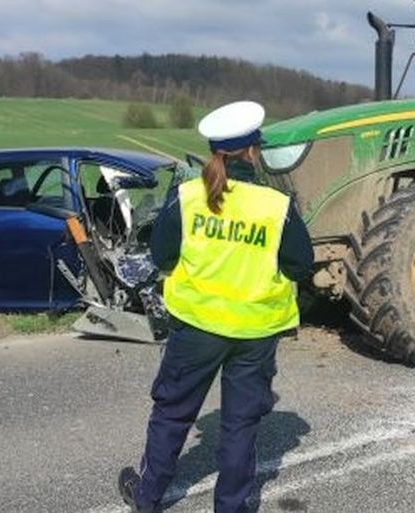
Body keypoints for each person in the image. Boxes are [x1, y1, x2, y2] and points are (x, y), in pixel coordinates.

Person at [117, 101, 313, 513]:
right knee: (240, 426)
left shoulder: (188, 197)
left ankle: (148, 498)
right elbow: (300, 264)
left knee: (172, 413)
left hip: (196, 326)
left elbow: (162, 255)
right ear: (253, 152)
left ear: (214, 153)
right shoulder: (276, 206)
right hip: (256, 331)